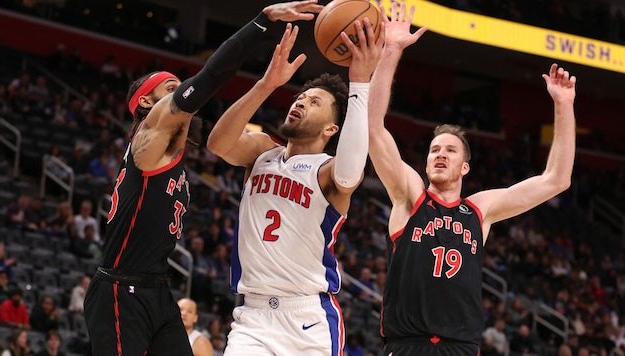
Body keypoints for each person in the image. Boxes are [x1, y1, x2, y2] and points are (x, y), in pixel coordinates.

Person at [82, 2, 325, 355]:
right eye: (170, 89)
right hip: (121, 290)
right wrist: (262, 21)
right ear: (147, 103)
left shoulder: (173, 154)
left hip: (156, 289)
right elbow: (211, 75)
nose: (180, 92)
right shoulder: (150, 135)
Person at [367, 3, 576, 355]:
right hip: (407, 345)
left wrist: (564, 105)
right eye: (434, 149)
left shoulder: (480, 210)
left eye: (449, 150)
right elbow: (373, 130)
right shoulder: (410, 195)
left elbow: (556, 179)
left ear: (465, 167)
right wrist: (390, 52)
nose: (440, 154)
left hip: (462, 348)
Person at [206, 12, 384, 355]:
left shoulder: (329, 171)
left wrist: (360, 81)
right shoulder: (261, 152)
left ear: (332, 129)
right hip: (252, 318)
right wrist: (266, 85)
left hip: (307, 320)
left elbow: (349, 174)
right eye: (300, 97)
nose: (301, 101)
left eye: (315, 102)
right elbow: (217, 144)